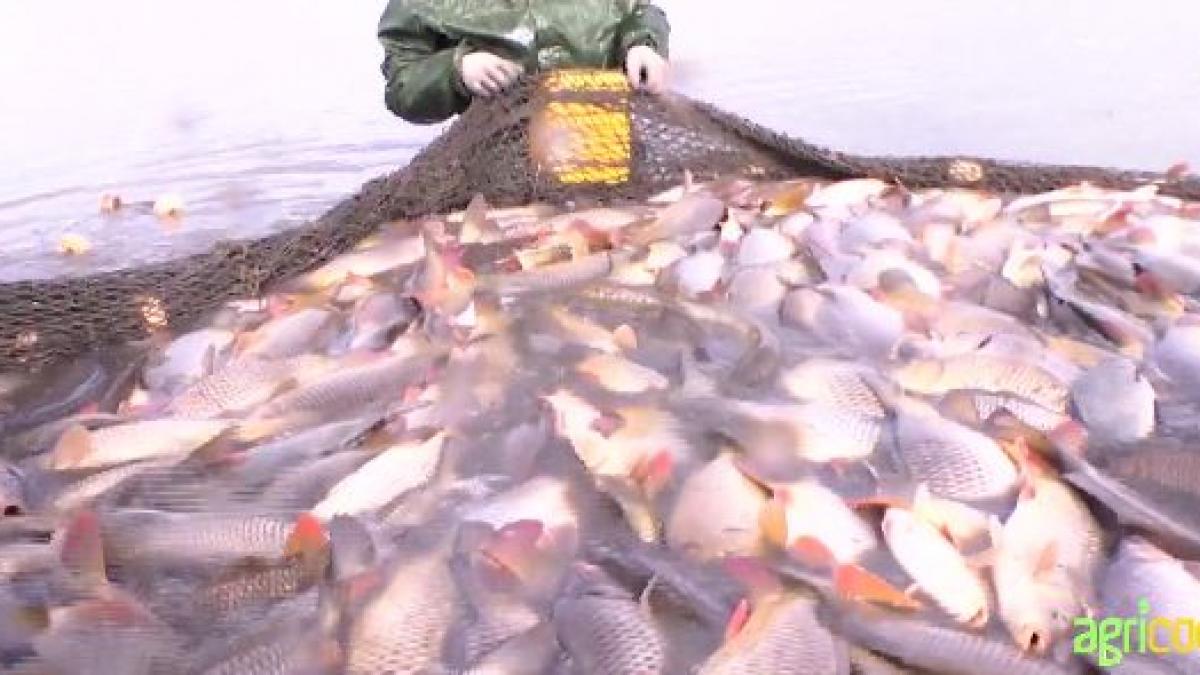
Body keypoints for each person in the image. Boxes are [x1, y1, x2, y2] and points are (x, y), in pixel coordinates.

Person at [377, 0, 671, 124]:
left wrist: (643, 44)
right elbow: (402, 84)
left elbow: (642, 11)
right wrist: (456, 70)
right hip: (495, 170)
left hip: (606, 151)